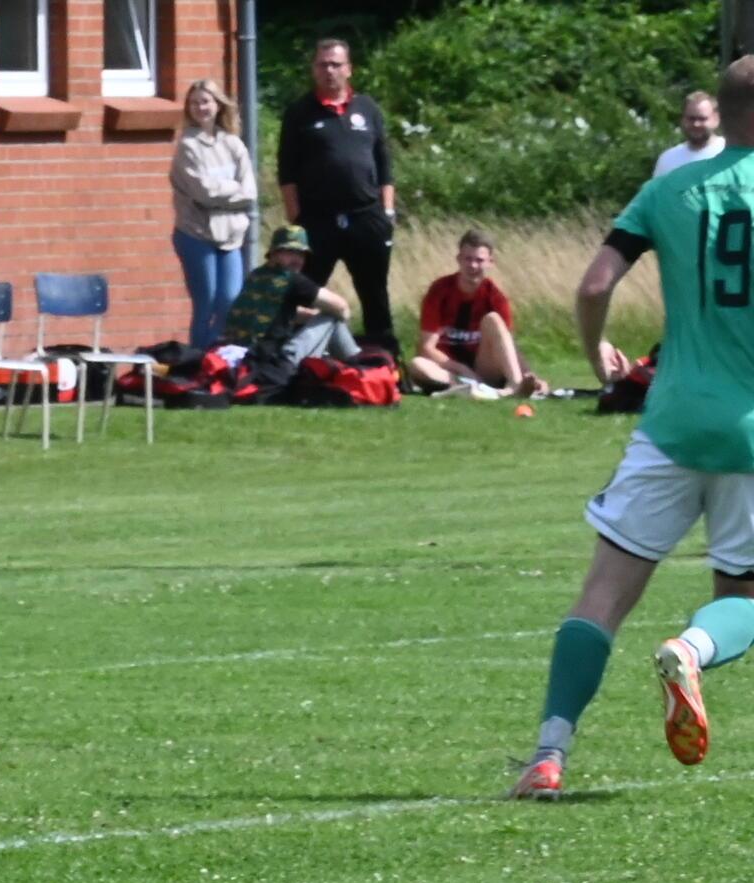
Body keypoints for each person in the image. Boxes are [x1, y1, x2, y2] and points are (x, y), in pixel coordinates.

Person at [511, 57, 754, 800]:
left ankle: (549, 754)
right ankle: (690, 647)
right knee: (744, 597)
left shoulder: (670, 188)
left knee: (601, 597)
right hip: (750, 433)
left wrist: (598, 357)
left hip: (672, 422)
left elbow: (593, 284)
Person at [277, 38, 396, 351]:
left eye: (336, 64)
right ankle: (294, 356)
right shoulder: (299, 113)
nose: (329, 70)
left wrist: (387, 213)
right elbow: (287, 173)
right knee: (305, 291)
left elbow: (384, 164)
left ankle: (384, 363)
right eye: (323, 64)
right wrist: (297, 222)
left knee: (375, 294)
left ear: (349, 69)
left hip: (366, 217)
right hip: (318, 221)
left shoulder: (367, 108)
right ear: (314, 70)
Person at [170, 79, 256, 350]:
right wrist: (234, 190)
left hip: (231, 236)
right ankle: (198, 362)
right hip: (196, 235)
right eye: (194, 103)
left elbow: (250, 191)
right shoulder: (187, 146)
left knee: (229, 301)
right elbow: (203, 192)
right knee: (205, 303)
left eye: (205, 101)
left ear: (218, 105)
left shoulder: (232, 144)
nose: (200, 108)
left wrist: (224, 192)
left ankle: (217, 361)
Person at [407, 229, 544, 397]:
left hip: (483, 369)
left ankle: (515, 386)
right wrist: (463, 370)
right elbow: (427, 348)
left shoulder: (495, 297)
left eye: (479, 260)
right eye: (468, 259)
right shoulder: (439, 291)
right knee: (417, 365)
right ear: (459, 259)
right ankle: (467, 388)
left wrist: (530, 377)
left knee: (493, 319)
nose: (472, 266)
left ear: (490, 262)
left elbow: (508, 345)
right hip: (450, 370)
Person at [222, 225, 359, 366]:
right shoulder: (292, 280)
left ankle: (355, 362)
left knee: (325, 317)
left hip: (243, 357)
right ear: (274, 253)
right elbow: (342, 307)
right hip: (277, 362)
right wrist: (340, 318)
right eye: (290, 252)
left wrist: (312, 317)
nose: (297, 259)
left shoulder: (256, 275)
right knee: (332, 317)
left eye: (301, 254)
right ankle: (358, 363)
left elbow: (279, 313)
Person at [654, 91, 725, 178]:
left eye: (702, 119)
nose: (696, 124)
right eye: (691, 119)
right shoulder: (667, 159)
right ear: (682, 120)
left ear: (716, 119)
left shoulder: (728, 152)